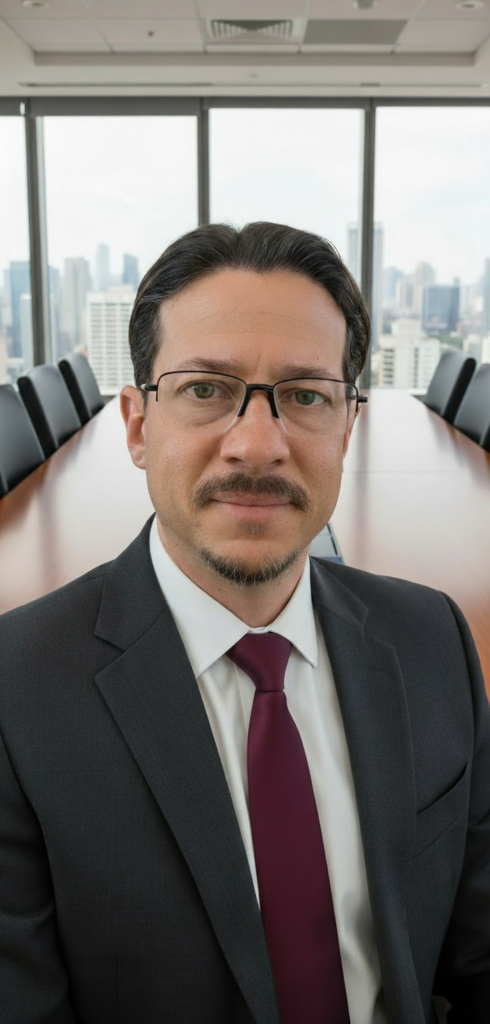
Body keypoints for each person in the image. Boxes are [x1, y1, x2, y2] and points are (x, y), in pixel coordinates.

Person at [0, 222, 489, 1024]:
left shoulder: (434, 640)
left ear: (347, 427)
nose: (257, 447)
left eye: (306, 396)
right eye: (205, 389)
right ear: (137, 425)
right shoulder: (16, 694)